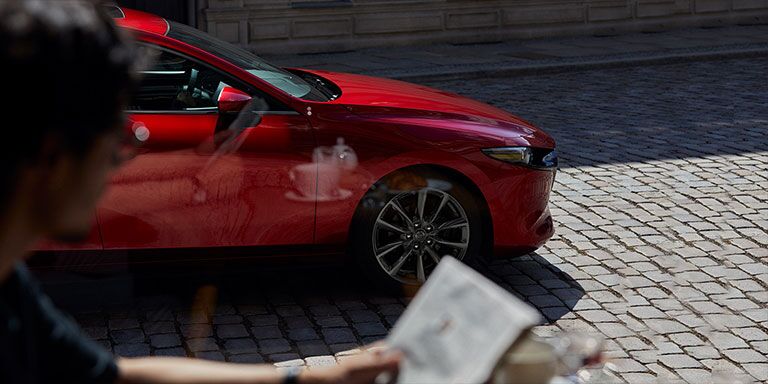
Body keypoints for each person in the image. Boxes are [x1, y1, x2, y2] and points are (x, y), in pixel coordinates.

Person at [0, 1, 401, 383]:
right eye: (114, 133)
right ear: (53, 154)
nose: (130, 146)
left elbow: (116, 376)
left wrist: (325, 378)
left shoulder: (12, 286)